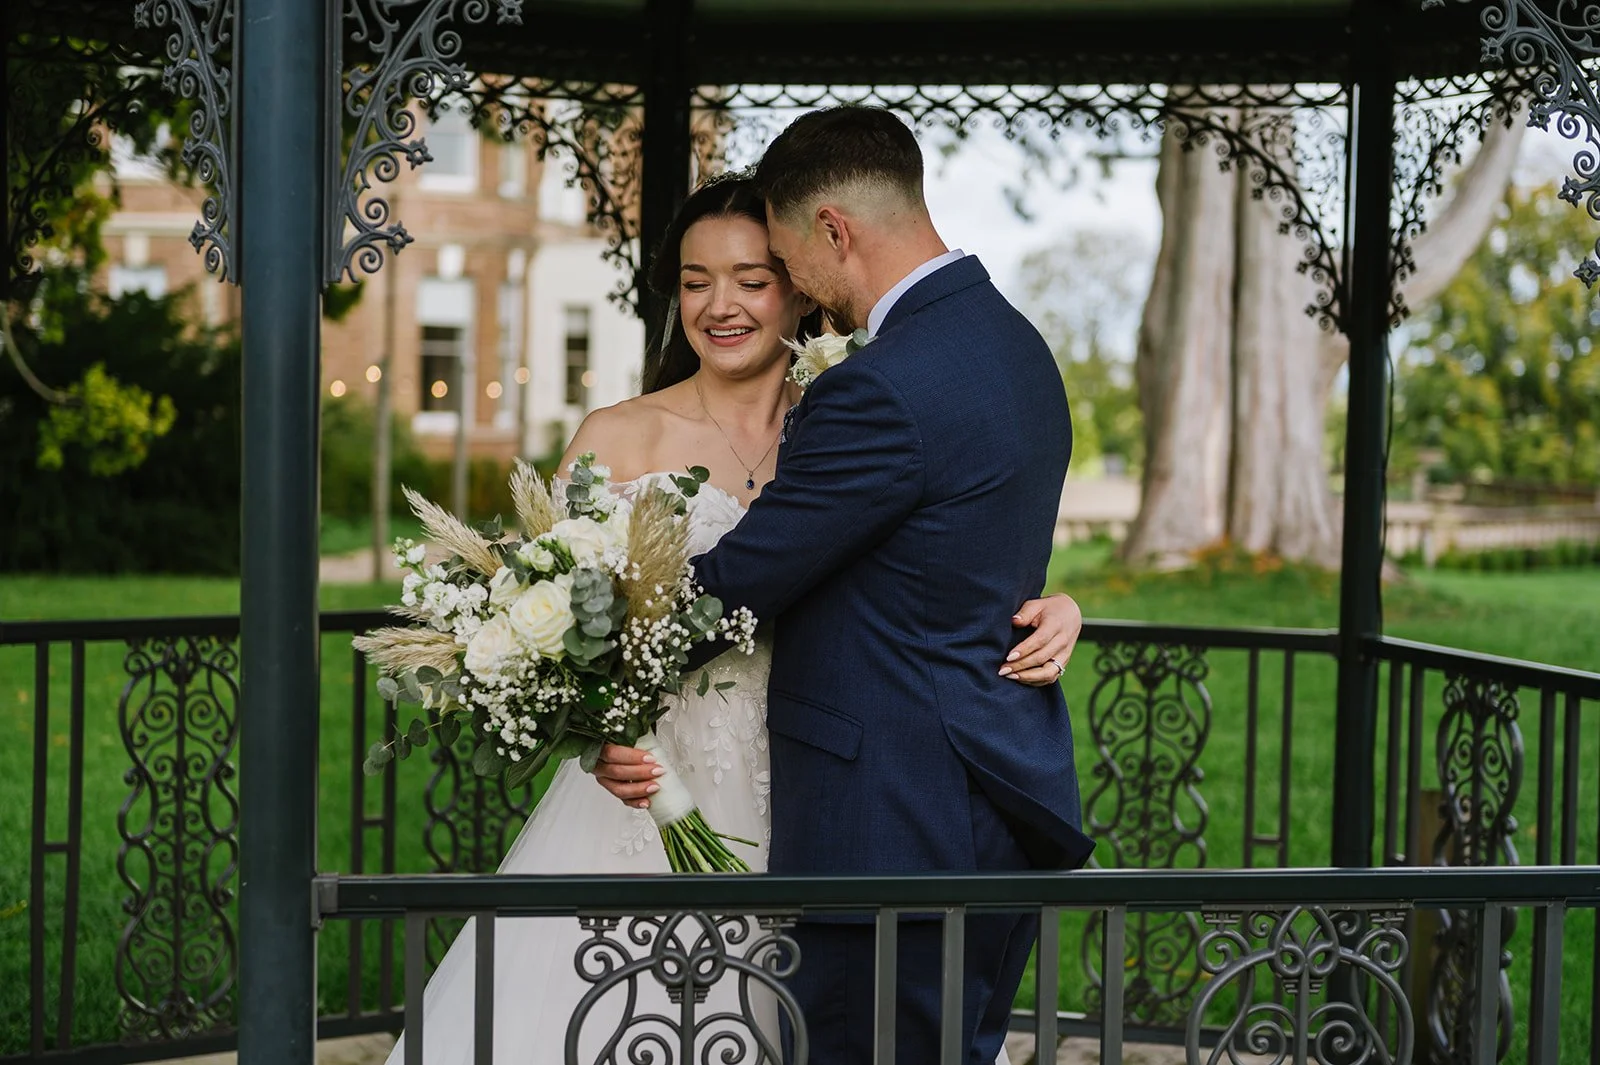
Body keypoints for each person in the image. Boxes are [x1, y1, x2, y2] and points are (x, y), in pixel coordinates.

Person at [383, 174, 1084, 1065]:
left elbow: (942, 554)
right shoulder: (617, 436)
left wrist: (1059, 604)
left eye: (752, 278)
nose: (721, 306)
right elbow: (544, 620)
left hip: (820, 794)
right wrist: (595, 728)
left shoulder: (849, 416)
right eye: (695, 279)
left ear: (799, 276)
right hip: (656, 787)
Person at [595, 109, 1096, 1065]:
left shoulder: (877, 387)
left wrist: (569, 658)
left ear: (832, 231)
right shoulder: (1016, 345)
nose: (789, 289)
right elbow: (956, 550)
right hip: (988, 792)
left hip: (893, 819)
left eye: (778, 262)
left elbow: (742, 580)